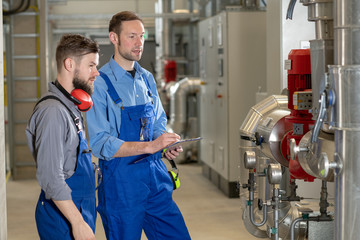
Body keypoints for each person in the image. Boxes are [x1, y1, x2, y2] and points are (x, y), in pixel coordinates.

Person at [86, 11, 191, 240]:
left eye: (142, 36)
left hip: (156, 178)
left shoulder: (147, 79)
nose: (139, 43)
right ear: (114, 38)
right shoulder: (100, 84)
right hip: (122, 184)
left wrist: (164, 143)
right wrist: (150, 146)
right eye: (132, 36)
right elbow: (100, 142)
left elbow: (158, 122)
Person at [26, 34, 100, 240]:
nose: (96, 73)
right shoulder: (53, 112)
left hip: (77, 208)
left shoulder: (70, 107)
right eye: (91, 65)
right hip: (63, 218)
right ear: (70, 64)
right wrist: (77, 223)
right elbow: (50, 177)